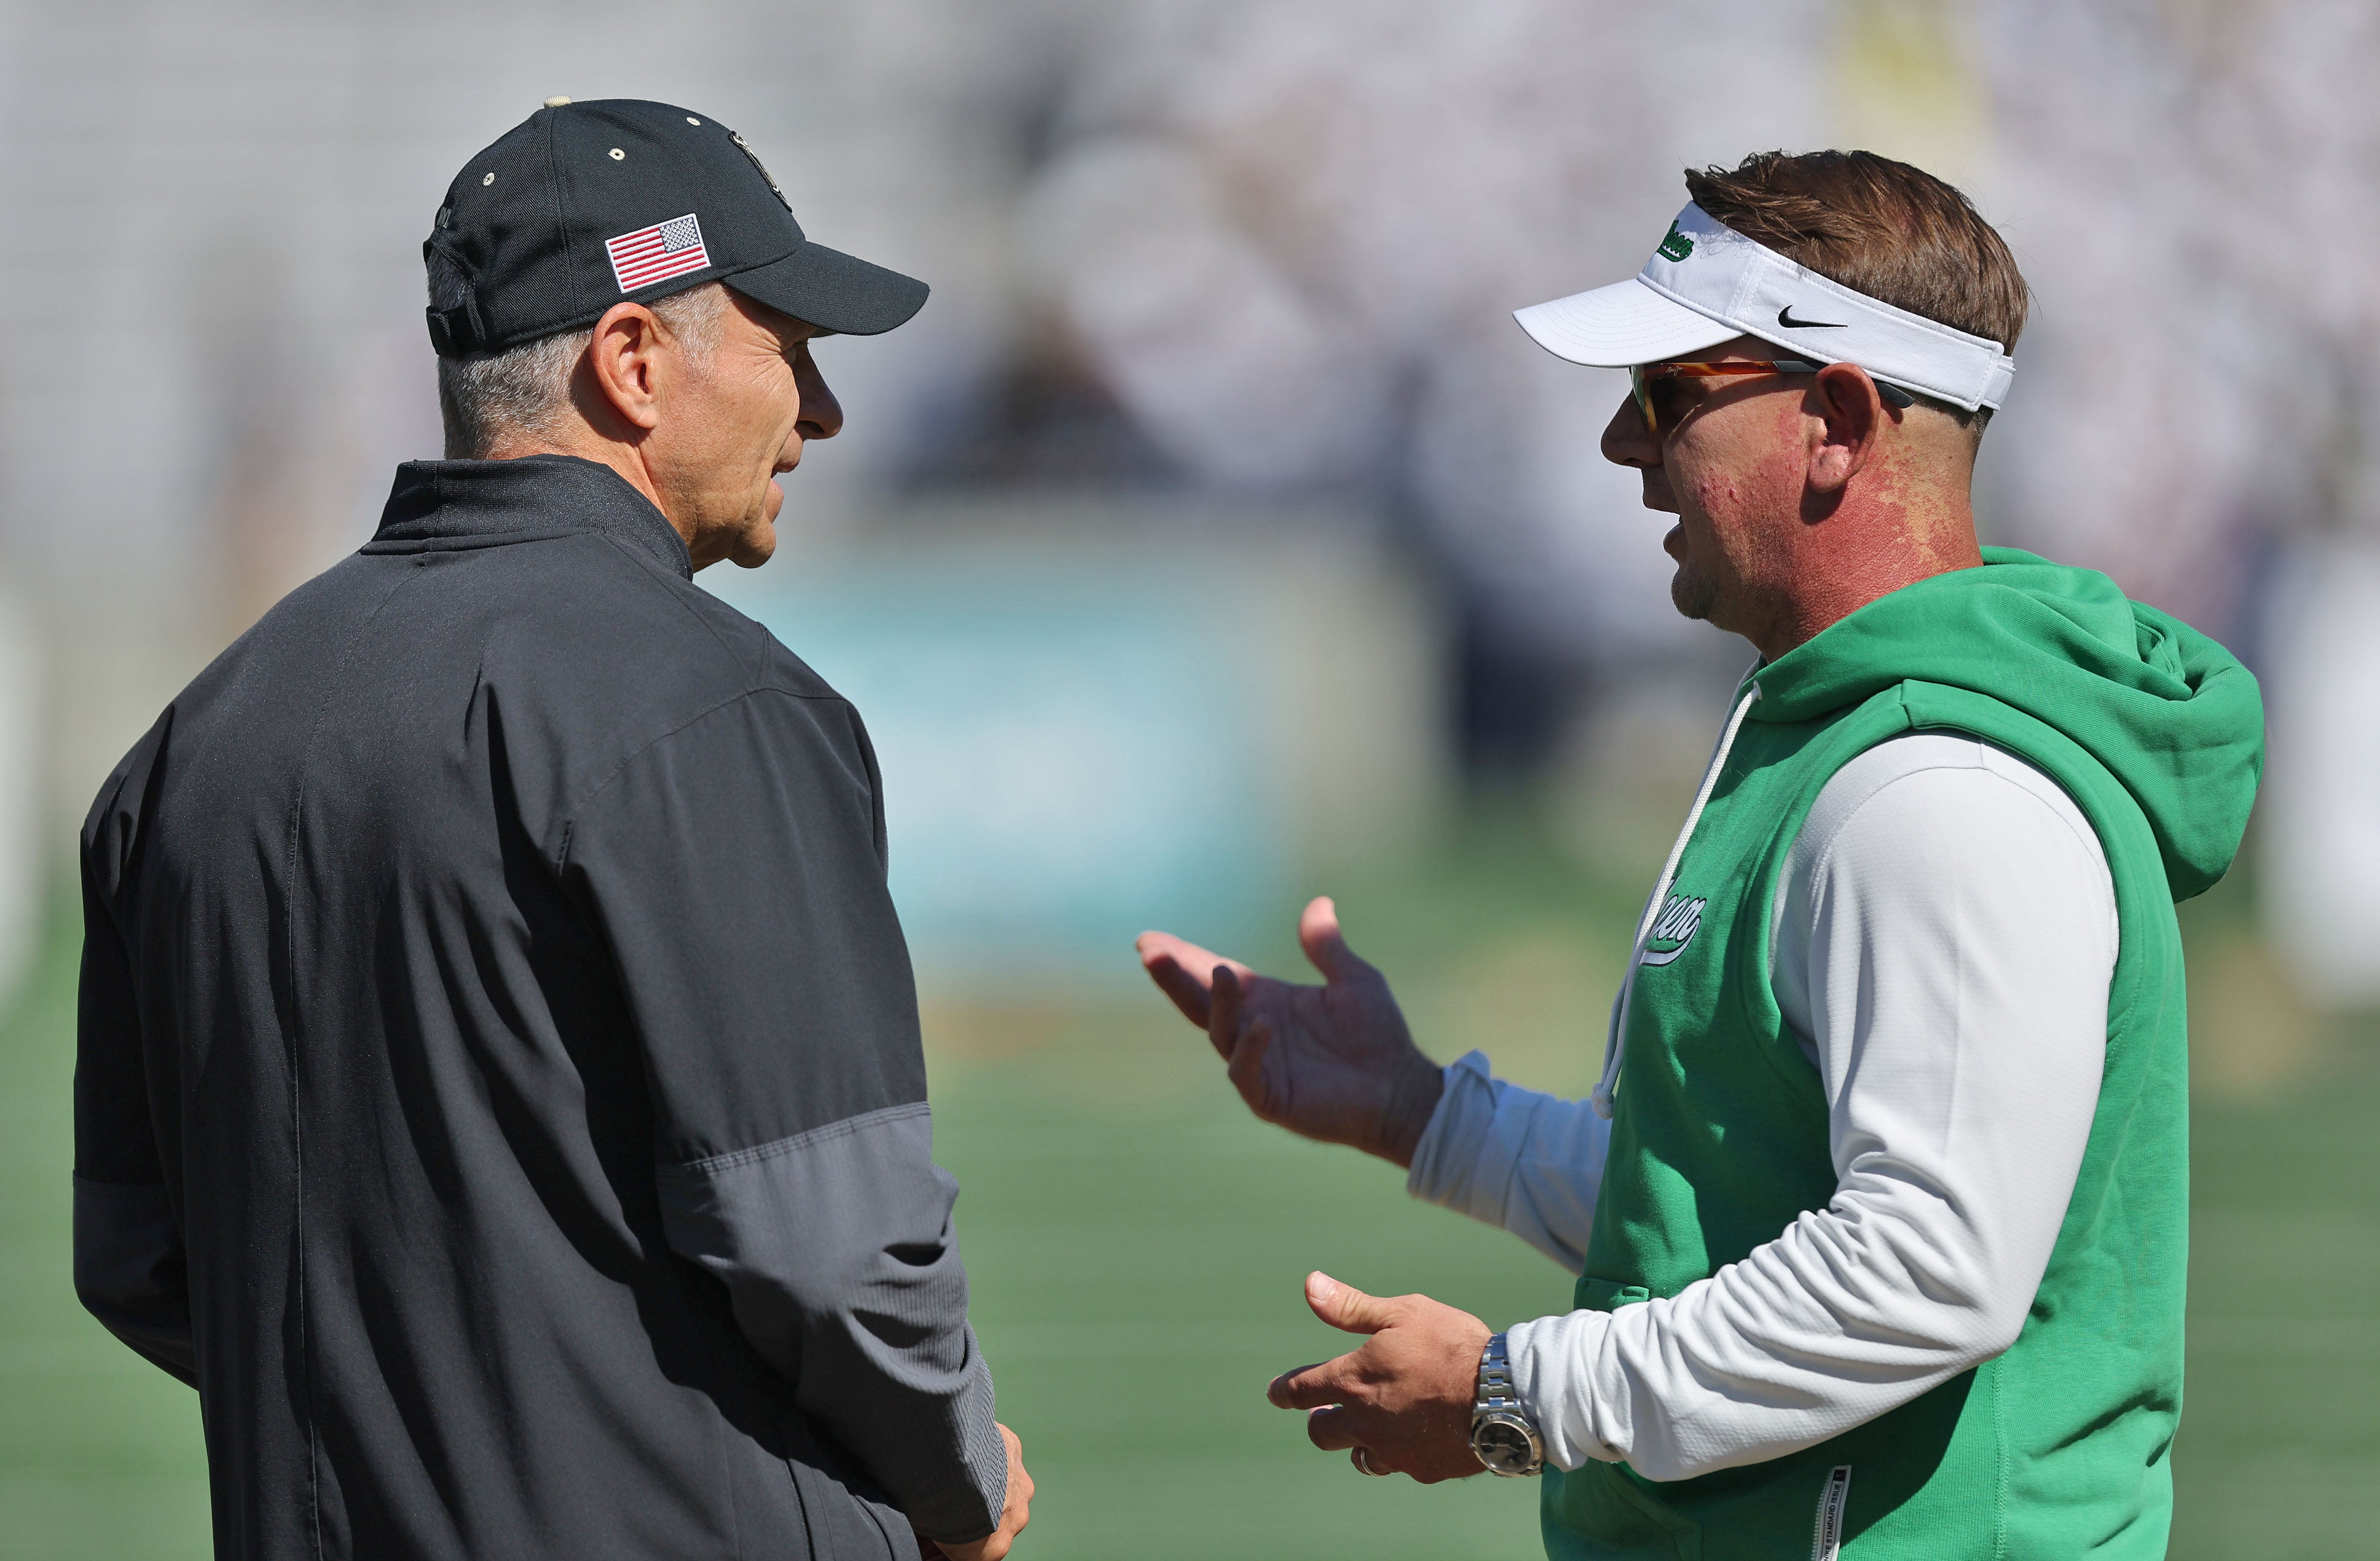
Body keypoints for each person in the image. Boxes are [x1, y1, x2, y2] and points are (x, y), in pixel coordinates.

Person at [1138, 149, 2264, 1559]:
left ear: (1838, 419)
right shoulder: (1839, 735)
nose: (1621, 442)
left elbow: (1923, 1270)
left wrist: (1510, 1391)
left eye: (1667, 393)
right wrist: (1430, 1116)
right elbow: (1733, 1191)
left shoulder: (1937, 789)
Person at [74, 98, 1030, 1561]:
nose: (823, 411)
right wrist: (958, 1483)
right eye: (791, 346)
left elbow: (144, 1257)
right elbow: (833, 1248)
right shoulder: (713, 709)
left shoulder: (195, 740)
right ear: (633, 361)